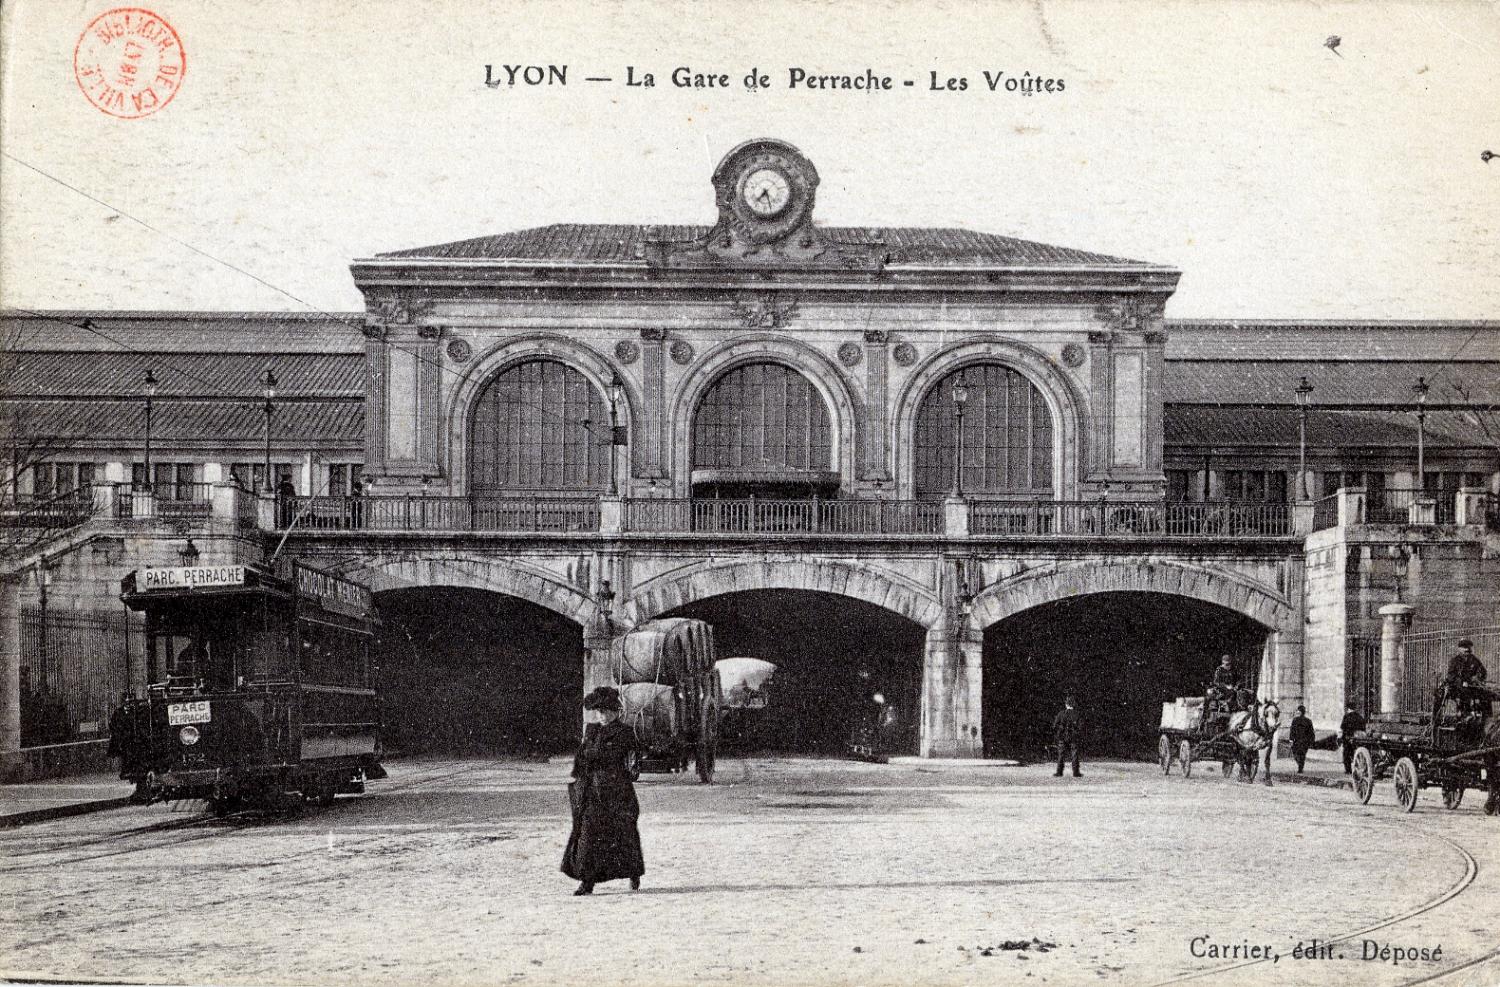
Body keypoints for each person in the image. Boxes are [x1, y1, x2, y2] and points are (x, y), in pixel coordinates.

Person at [561, 686, 645, 896]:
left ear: (616, 712)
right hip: (591, 790)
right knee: (588, 834)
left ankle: (633, 872)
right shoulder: (591, 730)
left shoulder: (625, 732)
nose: (602, 716)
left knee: (623, 833)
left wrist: (629, 766)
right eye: (599, 711)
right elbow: (581, 756)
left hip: (617, 791)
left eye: (607, 711)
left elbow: (625, 757)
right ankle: (586, 881)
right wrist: (580, 772)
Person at [1444, 639, 1490, 715]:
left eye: (1469, 647)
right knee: (1464, 694)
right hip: (1457, 687)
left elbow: (1483, 671)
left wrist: (1478, 678)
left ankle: (1483, 717)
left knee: (1485, 694)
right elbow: (1451, 676)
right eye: (1465, 647)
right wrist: (1461, 682)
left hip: (1472, 686)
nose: (1467, 649)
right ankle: (1463, 715)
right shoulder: (1455, 661)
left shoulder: (1474, 659)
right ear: (1459, 649)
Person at [1052, 695, 1081, 778]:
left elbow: (1055, 725)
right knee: (1074, 754)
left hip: (1062, 736)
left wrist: (1059, 732)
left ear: (1066, 704)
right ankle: (1076, 772)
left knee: (1061, 755)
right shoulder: (1077, 714)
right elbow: (1080, 727)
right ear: (1074, 704)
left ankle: (1059, 772)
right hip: (1073, 737)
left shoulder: (1061, 713)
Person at [1339, 703, 1366, 774]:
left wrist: (1341, 738)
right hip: (1359, 739)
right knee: (1356, 754)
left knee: (1346, 754)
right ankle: (1358, 768)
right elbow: (1363, 728)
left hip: (1348, 739)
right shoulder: (1360, 717)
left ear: (1348, 709)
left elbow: (1343, 728)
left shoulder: (1346, 716)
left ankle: (1348, 770)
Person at [1288, 705, 1315, 773]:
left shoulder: (1301, 720)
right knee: (1300, 754)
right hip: (1301, 741)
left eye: (1298, 711)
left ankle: (1300, 767)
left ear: (1300, 712)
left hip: (1300, 741)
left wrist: (1291, 739)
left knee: (1298, 754)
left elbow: (1292, 730)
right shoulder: (1305, 720)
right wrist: (1311, 741)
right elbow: (1311, 732)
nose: (1298, 712)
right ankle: (1300, 766)